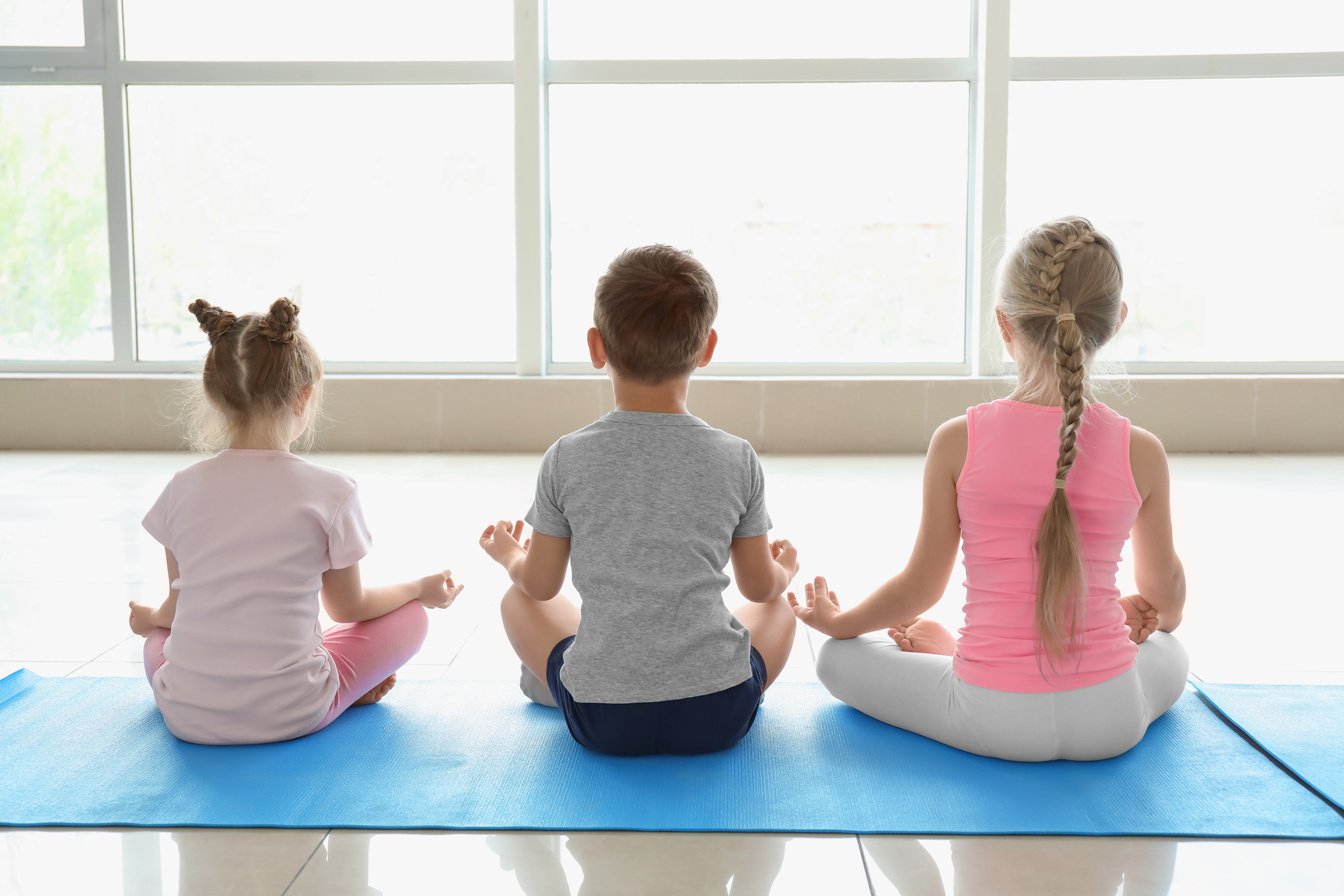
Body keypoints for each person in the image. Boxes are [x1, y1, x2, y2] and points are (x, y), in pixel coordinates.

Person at [791, 216, 1189, 761]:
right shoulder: (1141, 450)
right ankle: (964, 655)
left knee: (834, 660)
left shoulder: (959, 441)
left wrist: (839, 622)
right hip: (1113, 720)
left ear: (1005, 326)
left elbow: (920, 586)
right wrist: (1145, 619)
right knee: (1172, 649)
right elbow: (1165, 596)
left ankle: (949, 656)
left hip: (990, 716)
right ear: (1115, 322)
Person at [479, 244, 799, 756]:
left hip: (603, 722)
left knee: (516, 598)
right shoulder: (737, 457)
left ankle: (564, 681)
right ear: (707, 348)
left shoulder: (566, 457)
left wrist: (508, 555)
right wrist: (785, 568)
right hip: (719, 713)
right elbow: (760, 589)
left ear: (596, 346)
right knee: (780, 608)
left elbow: (539, 586)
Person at [128, 297, 461, 745]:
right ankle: (346, 693)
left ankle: (321, 686)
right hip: (294, 710)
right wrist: (419, 589)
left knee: (160, 639)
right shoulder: (332, 490)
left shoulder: (181, 487)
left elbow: (176, 607)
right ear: (303, 397)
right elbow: (349, 608)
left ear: (213, 395)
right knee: (412, 619)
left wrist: (149, 618)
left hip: (185, 712)